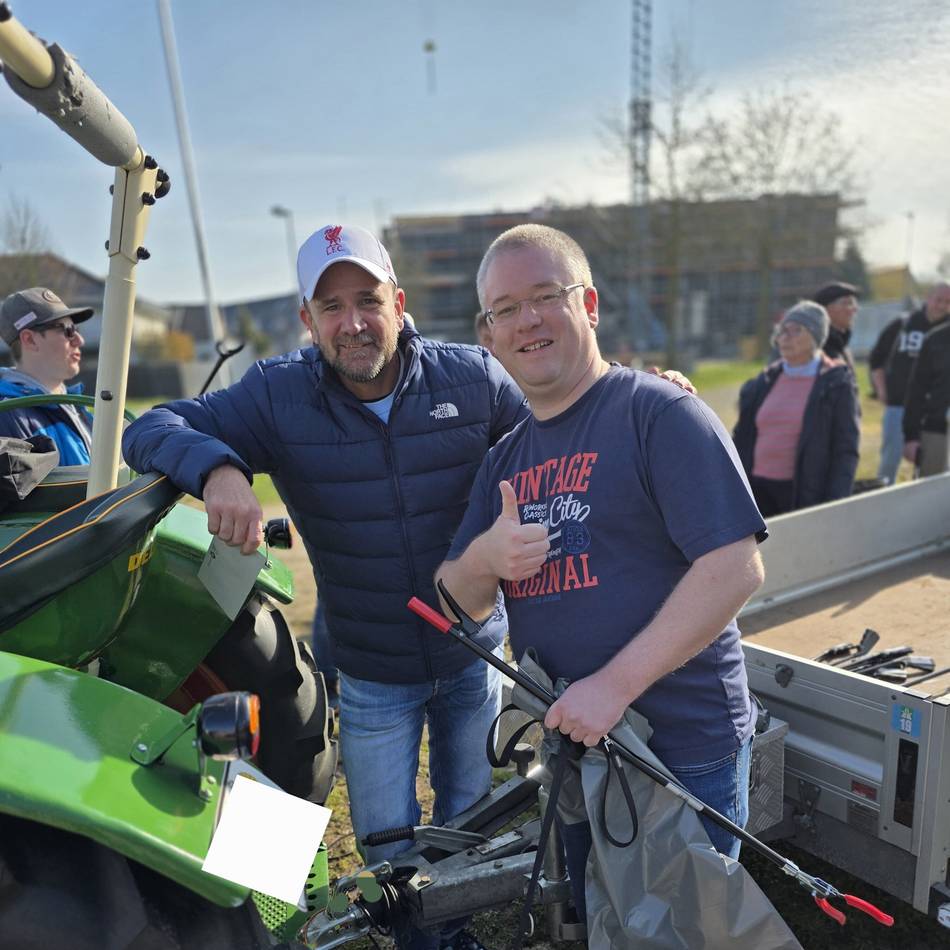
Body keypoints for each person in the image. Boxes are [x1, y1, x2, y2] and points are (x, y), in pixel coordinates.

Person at [123, 224, 531, 950]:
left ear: (399, 303)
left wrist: (638, 404)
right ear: (307, 321)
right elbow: (151, 426)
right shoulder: (278, 396)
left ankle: (453, 931)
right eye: (331, 307)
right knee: (383, 835)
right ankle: (416, 938)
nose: (353, 323)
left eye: (368, 300)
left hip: (473, 653)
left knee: (469, 813)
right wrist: (220, 470)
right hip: (373, 670)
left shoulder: (473, 377)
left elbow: (558, 431)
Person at [435, 224, 767, 921]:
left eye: (545, 296)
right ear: (487, 335)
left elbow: (736, 567)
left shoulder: (660, 412)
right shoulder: (503, 461)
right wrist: (487, 559)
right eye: (504, 309)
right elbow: (455, 598)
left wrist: (614, 686)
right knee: (603, 919)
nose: (526, 319)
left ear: (588, 305)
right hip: (578, 753)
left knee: (690, 931)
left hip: (680, 752)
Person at [732, 302, 860, 516]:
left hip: (803, 493)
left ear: (816, 337)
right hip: (756, 490)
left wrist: (836, 503)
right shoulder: (765, 380)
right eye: (782, 331)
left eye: (796, 330)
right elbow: (742, 436)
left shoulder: (836, 383)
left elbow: (845, 449)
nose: (785, 338)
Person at [0, 286, 96, 465]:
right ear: (30, 339)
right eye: (67, 330)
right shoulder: (8, 416)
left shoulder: (75, 406)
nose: (79, 340)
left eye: (77, 329)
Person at [869, 283, 950, 484]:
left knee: (934, 469)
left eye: (948, 302)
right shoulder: (904, 324)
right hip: (899, 406)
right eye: (938, 299)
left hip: (936, 413)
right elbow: (876, 359)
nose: (941, 306)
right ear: (927, 297)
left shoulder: (945, 334)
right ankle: (883, 499)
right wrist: (881, 390)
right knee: (890, 460)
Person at [902, 282, 950, 477]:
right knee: (929, 495)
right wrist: (911, 436)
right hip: (936, 432)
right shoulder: (935, 340)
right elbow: (917, 390)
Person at [812, 281, 860, 374]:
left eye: (854, 303)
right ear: (825, 309)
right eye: (848, 303)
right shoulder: (816, 347)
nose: (854, 309)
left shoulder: (841, 342)